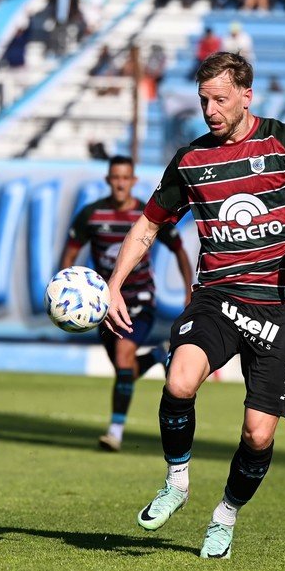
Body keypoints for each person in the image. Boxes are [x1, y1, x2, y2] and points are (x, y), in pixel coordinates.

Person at [103, 52, 285, 559]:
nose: (211, 110)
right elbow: (149, 226)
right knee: (178, 381)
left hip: (280, 305)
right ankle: (177, 482)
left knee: (257, 433)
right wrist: (114, 284)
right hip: (217, 297)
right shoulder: (190, 160)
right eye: (204, 100)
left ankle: (225, 515)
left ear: (247, 95)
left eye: (220, 99)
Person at [60, 156, 194, 452]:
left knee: (123, 357)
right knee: (126, 369)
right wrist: (63, 288)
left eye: (125, 178)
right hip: (103, 304)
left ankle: (115, 432)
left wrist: (189, 290)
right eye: (115, 177)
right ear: (109, 180)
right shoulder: (92, 215)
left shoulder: (145, 215)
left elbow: (180, 251)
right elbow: (69, 254)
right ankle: (159, 355)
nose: (120, 183)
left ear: (133, 181)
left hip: (139, 299)